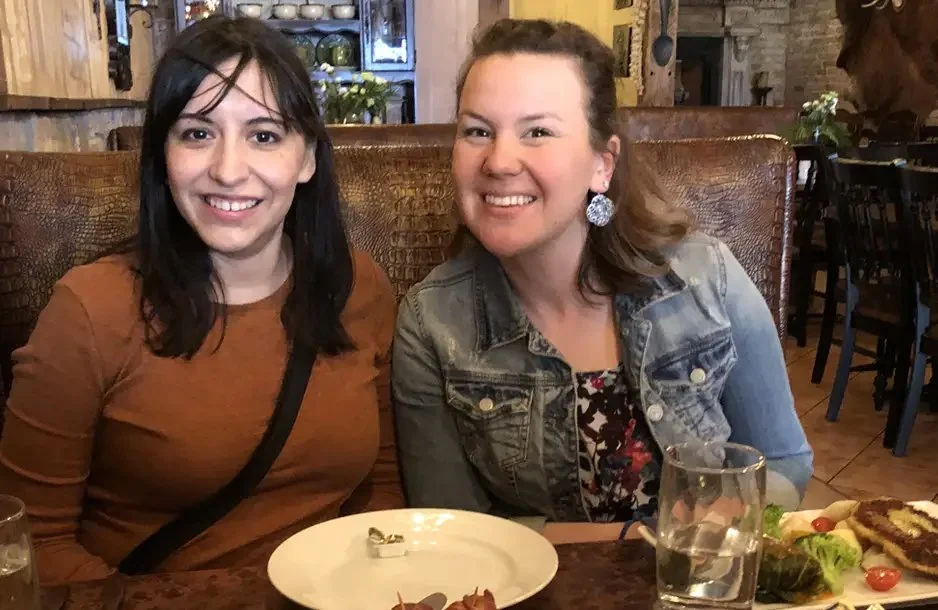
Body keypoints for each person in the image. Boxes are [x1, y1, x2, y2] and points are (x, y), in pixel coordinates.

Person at [0, 16, 401, 584]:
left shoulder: (357, 286)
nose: (228, 170)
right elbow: (31, 546)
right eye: (197, 133)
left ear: (307, 157)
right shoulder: (89, 311)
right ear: (163, 156)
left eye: (264, 135)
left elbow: (381, 487)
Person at [391, 18, 812, 542]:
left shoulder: (709, 279)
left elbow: (785, 463)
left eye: (537, 132)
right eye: (477, 130)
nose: (498, 161)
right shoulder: (430, 322)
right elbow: (449, 530)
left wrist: (703, 542)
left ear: (602, 165)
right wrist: (639, 544)